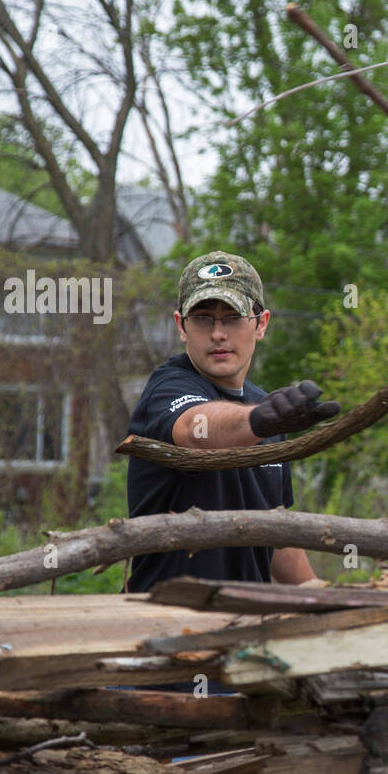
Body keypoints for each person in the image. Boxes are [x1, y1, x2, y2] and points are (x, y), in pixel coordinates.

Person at [124, 250, 340, 593]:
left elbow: (274, 527)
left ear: (261, 324)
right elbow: (196, 430)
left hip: (243, 622)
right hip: (164, 618)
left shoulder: (268, 410)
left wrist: (314, 588)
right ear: (181, 326)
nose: (218, 334)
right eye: (204, 318)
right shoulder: (168, 389)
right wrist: (258, 422)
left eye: (233, 317)